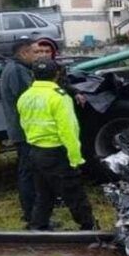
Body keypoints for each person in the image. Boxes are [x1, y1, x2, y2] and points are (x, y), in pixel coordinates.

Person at [18, 59, 96, 231]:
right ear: (57, 75)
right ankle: (89, 229)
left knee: (44, 193)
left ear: (33, 75)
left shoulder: (25, 96)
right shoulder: (59, 97)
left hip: (35, 151)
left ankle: (38, 227)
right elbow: (68, 131)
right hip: (56, 152)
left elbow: (24, 123)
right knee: (74, 194)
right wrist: (75, 159)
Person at [0, 39, 39, 223]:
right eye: (35, 52)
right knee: (28, 173)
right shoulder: (17, 71)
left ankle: (32, 213)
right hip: (24, 131)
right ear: (24, 53)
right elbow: (28, 100)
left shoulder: (14, 68)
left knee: (29, 172)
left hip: (23, 129)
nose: (37, 56)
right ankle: (32, 216)